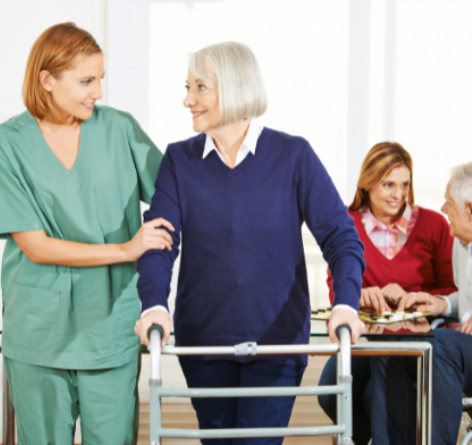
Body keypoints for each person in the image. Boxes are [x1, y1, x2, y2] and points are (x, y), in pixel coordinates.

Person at [133, 41, 365, 444]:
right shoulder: (179, 160)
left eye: (199, 87)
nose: (188, 100)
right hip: (203, 343)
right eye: (187, 87)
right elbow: (158, 242)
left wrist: (346, 303)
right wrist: (155, 304)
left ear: (235, 87)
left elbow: (340, 237)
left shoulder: (293, 156)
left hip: (276, 342)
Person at [0, 23, 173, 444]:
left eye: (100, 79)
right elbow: (36, 246)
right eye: (86, 81)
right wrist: (126, 249)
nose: (97, 92)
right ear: (47, 80)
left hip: (110, 327)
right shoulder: (8, 143)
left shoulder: (119, 129)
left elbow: (176, 196)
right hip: (39, 333)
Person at [318, 142, 456, 445]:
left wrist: (411, 295)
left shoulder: (434, 224)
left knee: (374, 397)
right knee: (330, 392)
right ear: (368, 183)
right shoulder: (347, 222)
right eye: (388, 184)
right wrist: (362, 293)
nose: (398, 194)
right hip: (367, 337)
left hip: (419, 339)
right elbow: (335, 286)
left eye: (404, 184)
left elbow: (451, 288)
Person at [370, 161, 472, 445]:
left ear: (470, 210)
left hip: (460, 349)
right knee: (391, 350)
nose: (443, 209)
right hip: (467, 347)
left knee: (438, 342)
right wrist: (440, 304)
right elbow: (464, 298)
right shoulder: (463, 245)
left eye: (449, 203)